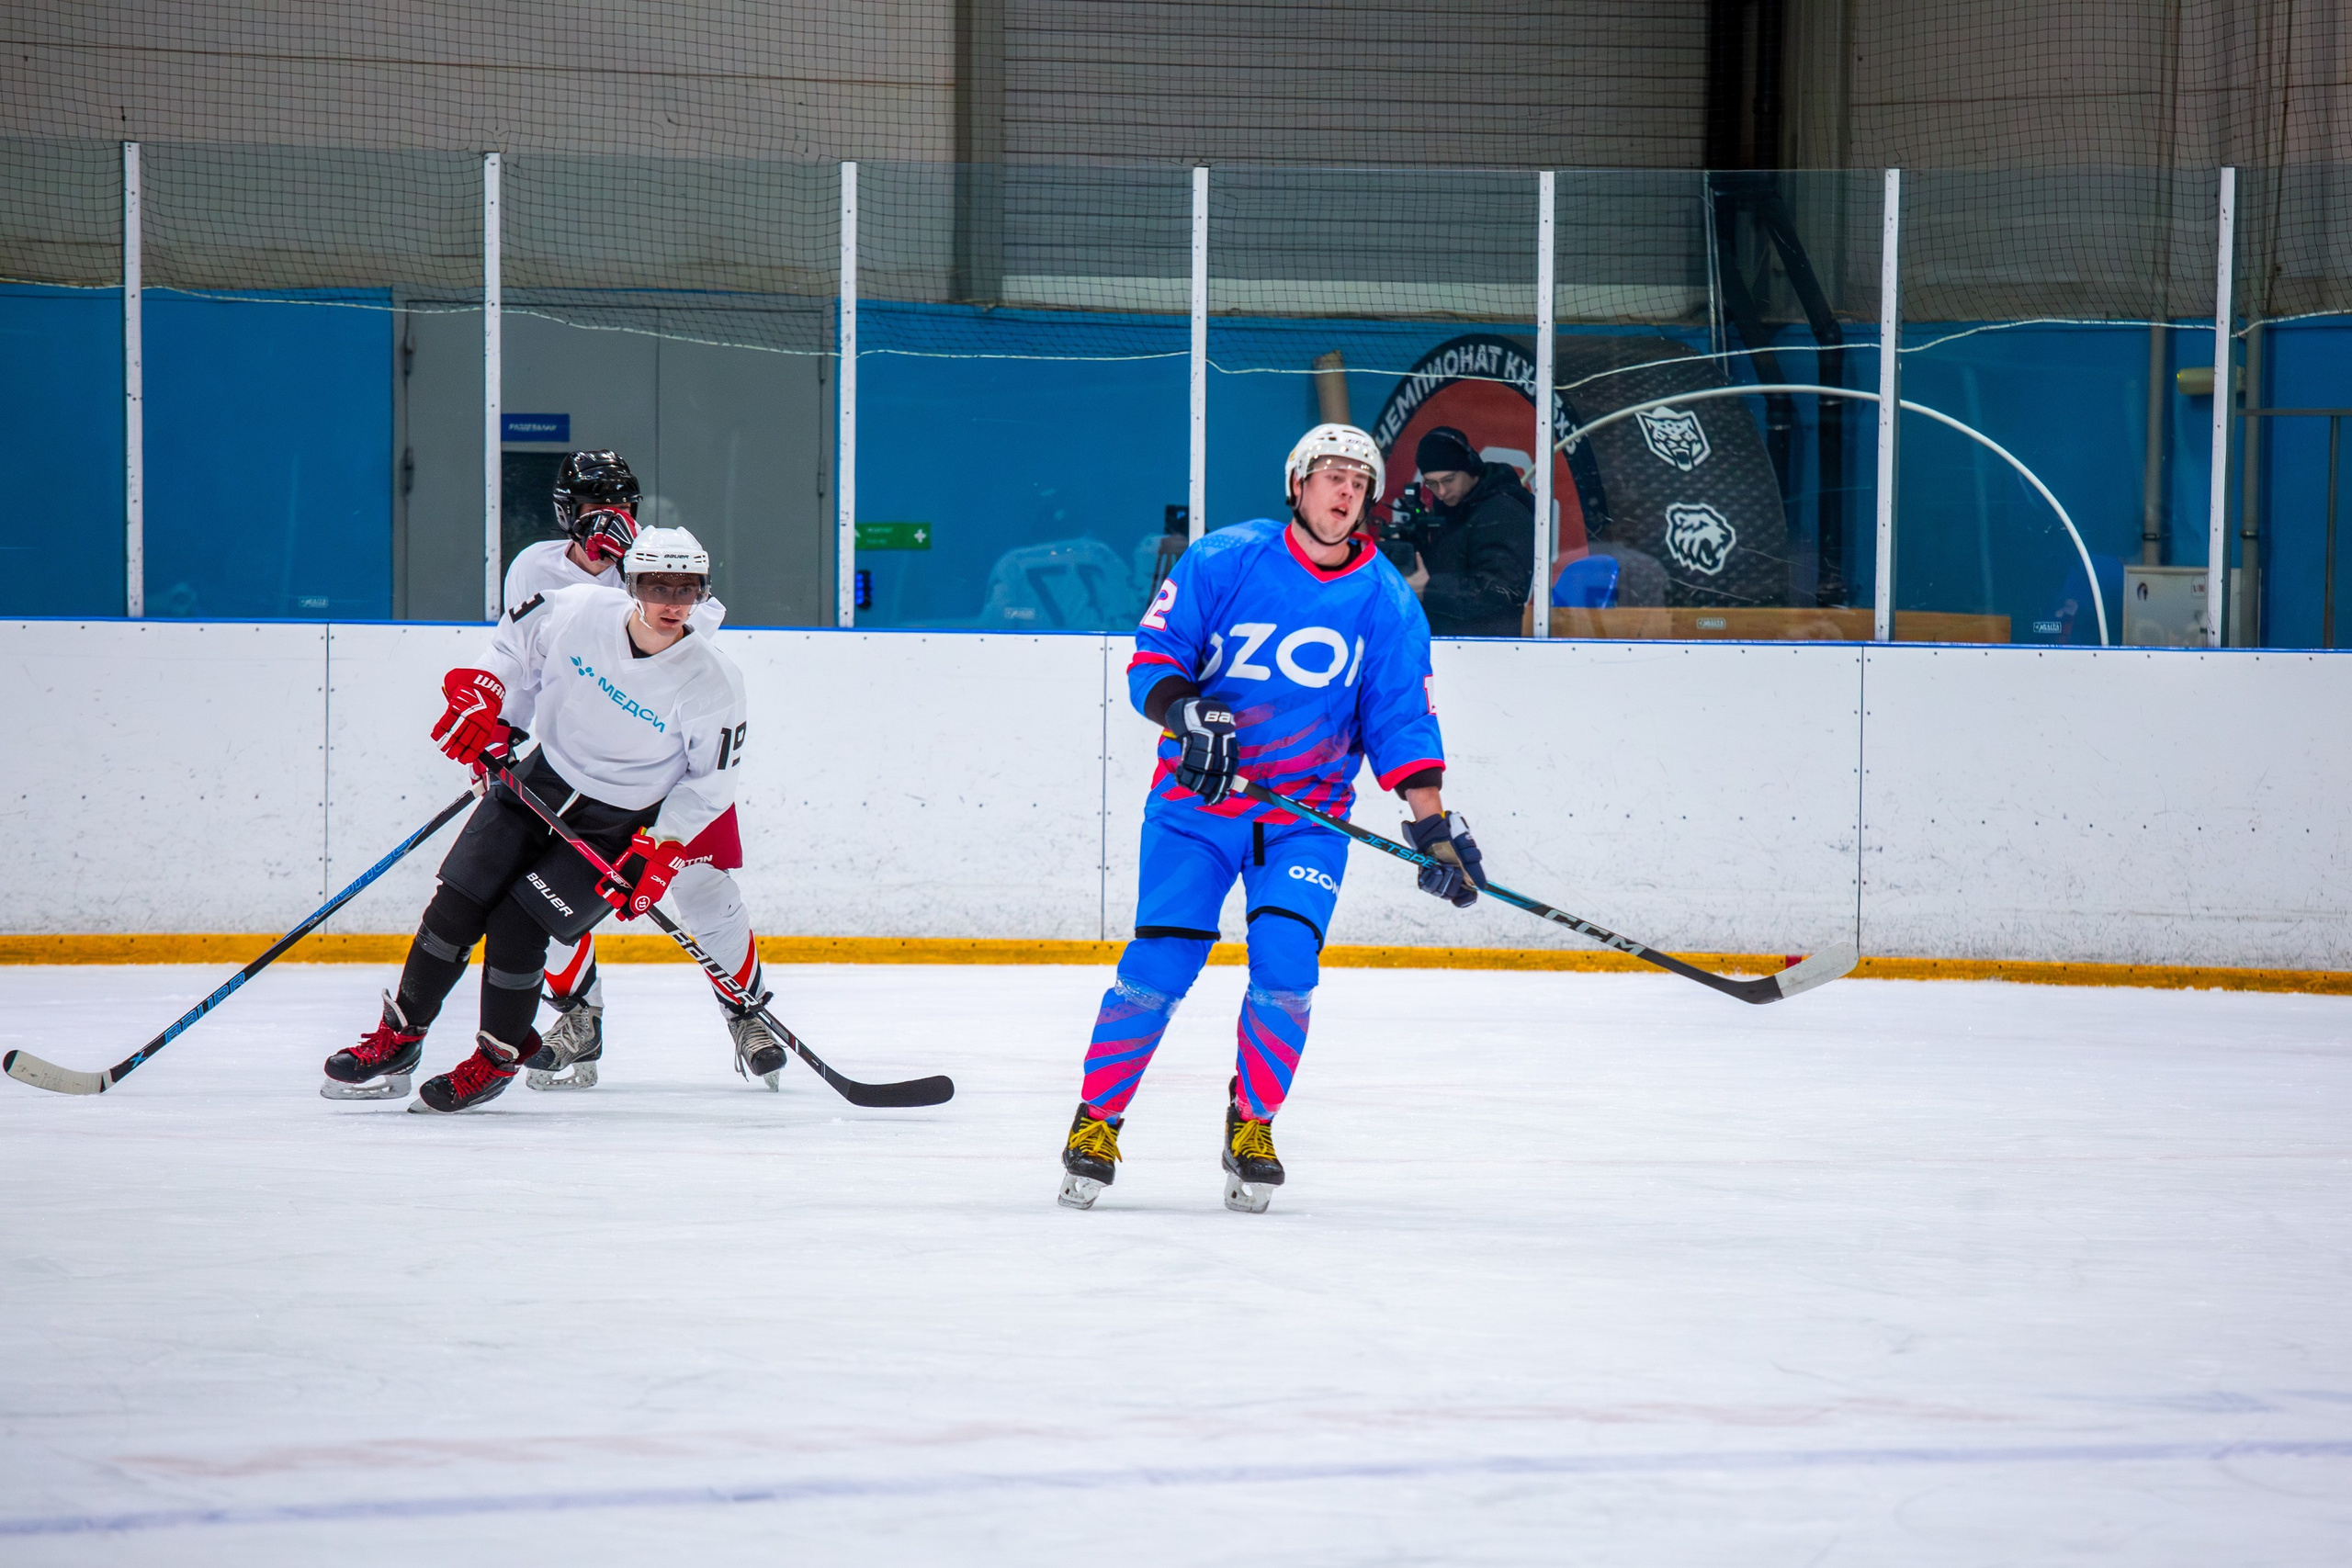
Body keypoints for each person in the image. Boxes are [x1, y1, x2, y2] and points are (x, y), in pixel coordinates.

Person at [1059, 422, 1489, 1213]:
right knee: (1161, 962)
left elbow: (1401, 720)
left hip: (1305, 817)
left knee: (1287, 969)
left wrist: (1433, 827)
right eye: (1331, 475)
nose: (1345, 490)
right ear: (1298, 484)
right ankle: (1097, 1120)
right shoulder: (1226, 558)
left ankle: (1252, 1125)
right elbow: (1156, 659)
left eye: (1358, 482)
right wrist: (1186, 712)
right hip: (1196, 804)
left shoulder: (1386, 600)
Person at [319, 527, 752, 1112]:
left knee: (519, 926)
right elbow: (509, 648)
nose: (672, 602)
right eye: (656, 586)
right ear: (631, 585)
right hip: (539, 781)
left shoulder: (714, 681)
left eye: (686, 588)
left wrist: (664, 847)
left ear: (702, 592)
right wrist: (485, 693)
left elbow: (710, 784)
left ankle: (496, 1059)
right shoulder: (578, 609)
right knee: (456, 903)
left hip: (614, 825)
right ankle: (400, 1037)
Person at [500, 451, 786, 1091]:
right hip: (580, 765)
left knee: (703, 887)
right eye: (594, 506)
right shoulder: (533, 567)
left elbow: (694, 635)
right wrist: (503, 728)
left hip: (666, 760)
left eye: (621, 505)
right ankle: (578, 1017)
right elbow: (523, 653)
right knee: (546, 891)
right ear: (567, 512)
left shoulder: (659, 560)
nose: (610, 517)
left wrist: (634, 565)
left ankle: (746, 1014)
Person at [1406, 425, 1535, 637]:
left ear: (1470, 468)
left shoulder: (1504, 512)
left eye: (1448, 480)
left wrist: (1429, 588)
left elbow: (1501, 593)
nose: (1441, 492)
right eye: (1432, 484)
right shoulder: (1449, 512)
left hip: (1487, 647)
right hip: (1450, 641)